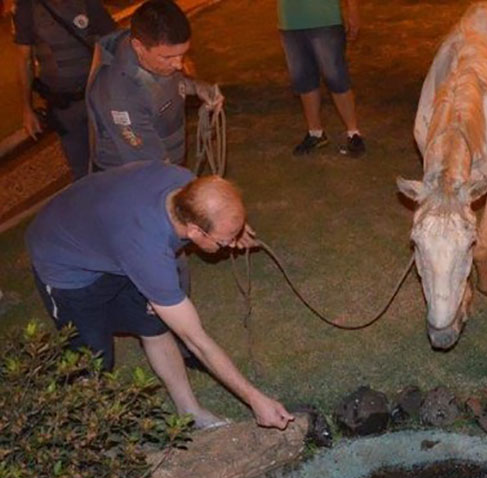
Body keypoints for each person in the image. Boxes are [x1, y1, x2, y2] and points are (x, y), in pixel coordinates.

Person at [25, 160, 294, 430]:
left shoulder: (187, 188)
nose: (229, 246)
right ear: (195, 231)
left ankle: (190, 412)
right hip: (64, 261)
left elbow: (213, 210)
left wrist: (232, 228)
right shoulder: (147, 251)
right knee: (91, 360)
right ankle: (82, 439)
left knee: (154, 325)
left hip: (110, 235)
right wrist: (255, 399)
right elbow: (197, 341)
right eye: (224, 241)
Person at [86, 0, 222, 171]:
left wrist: (196, 87)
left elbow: (169, 82)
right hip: (135, 179)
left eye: (182, 54)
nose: (179, 65)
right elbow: (152, 169)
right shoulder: (121, 97)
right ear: (139, 47)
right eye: (168, 57)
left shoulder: (152, 48)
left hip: (165, 160)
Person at [13, 0, 115, 179]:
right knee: (81, 169)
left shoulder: (87, 3)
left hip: (98, 96)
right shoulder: (27, 8)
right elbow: (24, 61)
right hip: (63, 106)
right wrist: (27, 109)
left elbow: (113, 40)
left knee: (111, 161)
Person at [277, 0, 365, 157]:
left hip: (325, 19)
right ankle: (315, 132)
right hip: (290, 21)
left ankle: (353, 132)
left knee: (336, 76)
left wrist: (353, 10)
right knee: (303, 79)